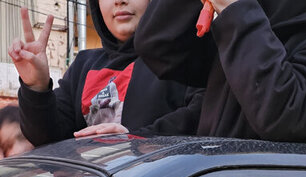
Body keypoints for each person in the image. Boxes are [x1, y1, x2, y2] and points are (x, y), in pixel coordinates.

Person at [131, 0, 306, 142]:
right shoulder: (250, 28)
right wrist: (135, 140)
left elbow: (281, 114)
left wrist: (236, 10)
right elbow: (159, 45)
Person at [8, 2, 204, 146]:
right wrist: (36, 87)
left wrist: (137, 139)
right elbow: (47, 136)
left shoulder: (187, 58)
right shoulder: (83, 65)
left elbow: (203, 118)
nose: (119, 1)